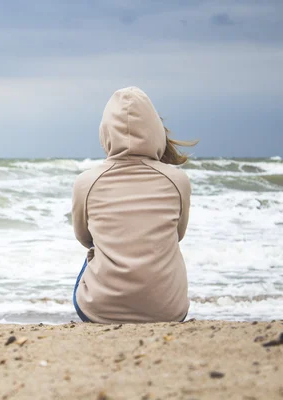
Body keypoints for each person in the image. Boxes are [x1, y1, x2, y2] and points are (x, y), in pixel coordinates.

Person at [71, 87, 198, 324]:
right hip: (170, 311)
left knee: (95, 250)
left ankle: (108, 301)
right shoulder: (177, 180)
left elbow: (84, 237)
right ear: (155, 131)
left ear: (105, 132)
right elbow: (178, 234)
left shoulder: (86, 182)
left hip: (99, 312)